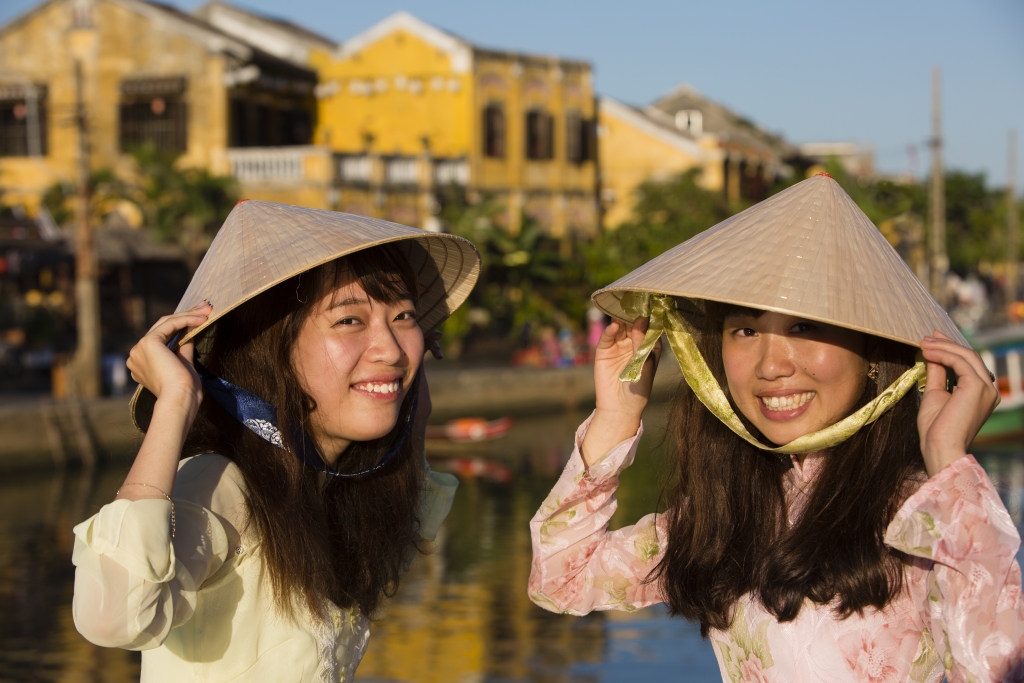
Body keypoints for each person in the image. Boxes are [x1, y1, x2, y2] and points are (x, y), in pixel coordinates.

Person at [529, 174, 1024, 682]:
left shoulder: (921, 518)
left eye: (804, 328)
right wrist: (616, 415)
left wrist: (949, 462)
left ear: (873, 354)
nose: (770, 365)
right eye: (745, 329)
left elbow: (998, 669)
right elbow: (560, 579)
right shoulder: (728, 513)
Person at [71, 201, 480, 682]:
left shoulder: (338, 480)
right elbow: (115, 620)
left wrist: (413, 406)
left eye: (404, 317)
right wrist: (176, 400)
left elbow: (407, 530)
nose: (390, 349)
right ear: (273, 349)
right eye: (349, 320)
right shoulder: (223, 486)